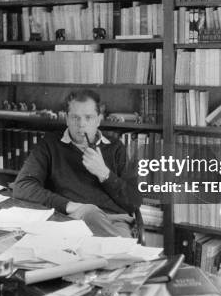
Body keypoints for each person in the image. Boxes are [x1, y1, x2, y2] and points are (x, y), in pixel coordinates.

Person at [13, 90, 141, 237]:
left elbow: (134, 201)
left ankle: (118, 248)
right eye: (75, 117)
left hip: (113, 221)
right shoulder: (50, 144)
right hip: (69, 220)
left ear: (98, 120)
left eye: (88, 117)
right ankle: (123, 250)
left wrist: (104, 174)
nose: (81, 125)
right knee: (90, 215)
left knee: (99, 228)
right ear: (67, 119)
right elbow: (22, 186)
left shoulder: (115, 147)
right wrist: (69, 205)